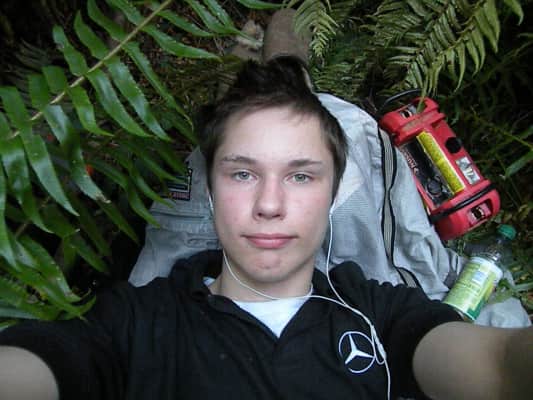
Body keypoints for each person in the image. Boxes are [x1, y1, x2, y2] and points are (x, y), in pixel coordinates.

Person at [0, 56, 531, 400]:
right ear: (211, 190)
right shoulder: (136, 324)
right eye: (243, 173)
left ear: (332, 195)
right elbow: (43, 366)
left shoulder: (381, 315)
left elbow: (499, 366)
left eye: (300, 176)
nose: (270, 205)